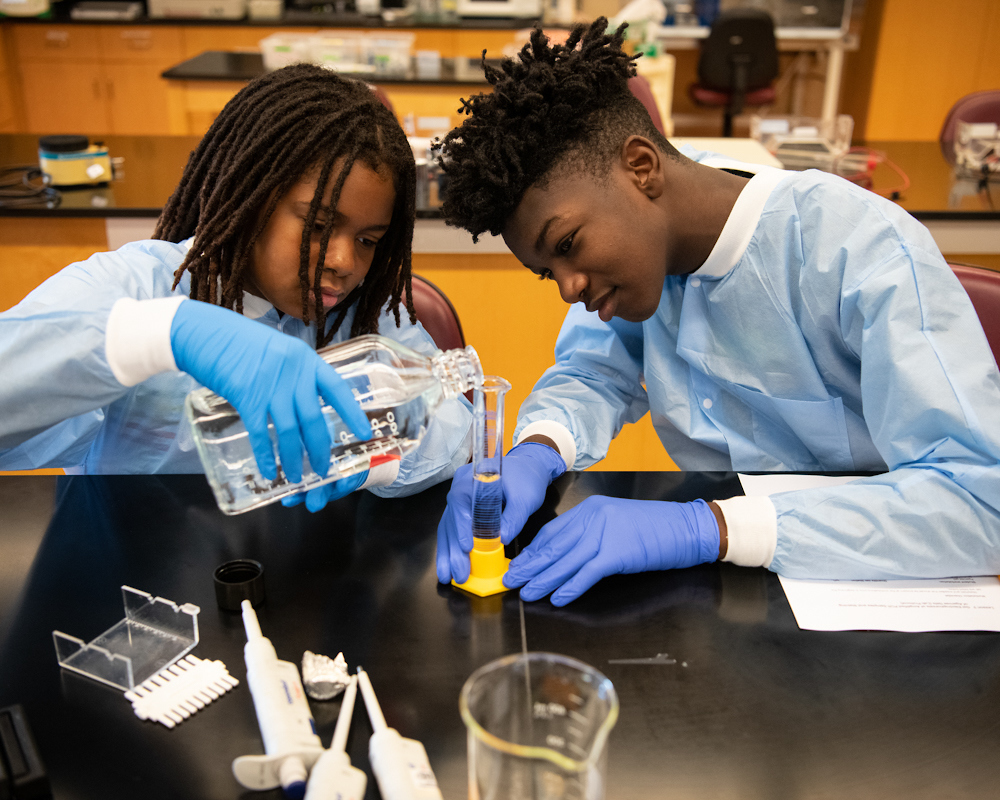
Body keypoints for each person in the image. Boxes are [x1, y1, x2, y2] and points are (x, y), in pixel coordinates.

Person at [434, 20, 1000, 605]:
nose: (568, 289)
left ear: (642, 168)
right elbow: (593, 373)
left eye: (568, 245)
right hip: (730, 596)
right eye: (548, 271)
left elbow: (982, 502)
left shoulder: (856, 248)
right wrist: (538, 449)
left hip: (880, 578)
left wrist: (709, 527)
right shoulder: (639, 257)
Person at [0, 64, 472, 510]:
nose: (345, 263)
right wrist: (153, 336)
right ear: (253, 198)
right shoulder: (139, 285)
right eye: (320, 227)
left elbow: (457, 428)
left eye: (368, 240)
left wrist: (372, 454)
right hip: (134, 568)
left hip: (299, 576)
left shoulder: (364, 315)